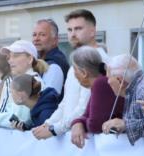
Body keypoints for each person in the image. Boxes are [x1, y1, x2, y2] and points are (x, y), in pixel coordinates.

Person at [34, 9, 108, 140]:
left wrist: (55, 129)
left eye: (78, 29)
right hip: (69, 138)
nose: (73, 34)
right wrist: (48, 124)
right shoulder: (75, 63)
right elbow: (66, 102)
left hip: (87, 140)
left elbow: (85, 106)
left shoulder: (99, 60)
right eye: (69, 30)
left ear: (92, 31)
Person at [68, 47, 124, 149]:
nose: (74, 75)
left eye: (75, 70)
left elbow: (95, 125)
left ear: (84, 73)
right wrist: (77, 122)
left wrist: (81, 122)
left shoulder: (101, 83)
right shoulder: (100, 82)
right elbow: (86, 116)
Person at [31, 18, 66, 93]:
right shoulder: (36, 61)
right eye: (34, 35)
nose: (36, 39)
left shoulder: (55, 64)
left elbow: (46, 99)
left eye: (42, 35)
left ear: (55, 40)